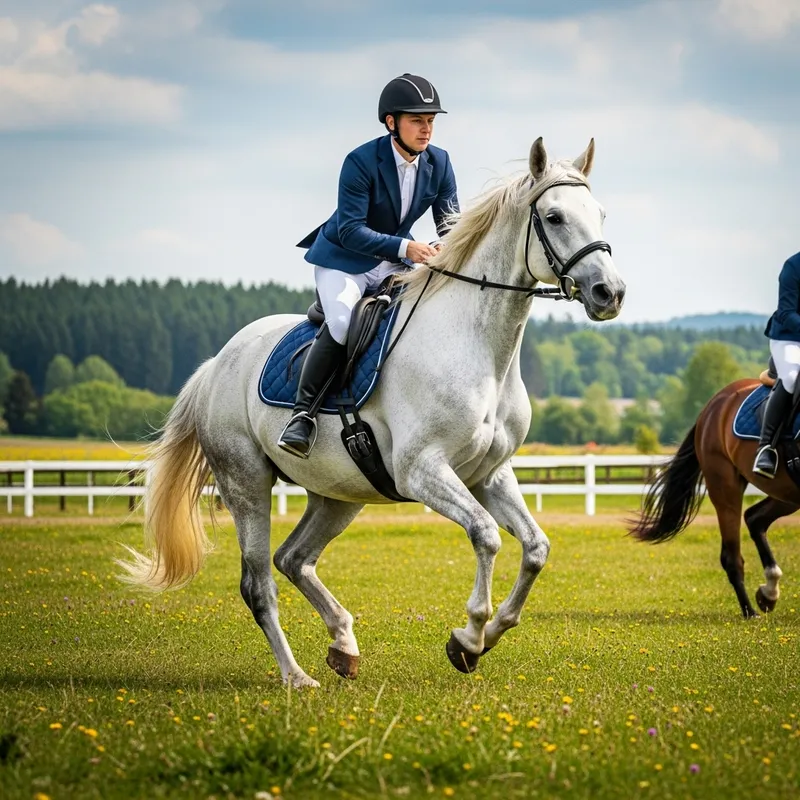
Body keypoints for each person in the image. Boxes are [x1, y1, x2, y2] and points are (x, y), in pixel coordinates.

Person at [277, 73, 460, 458]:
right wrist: (407, 247)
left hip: (393, 262)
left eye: (430, 121)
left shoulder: (439, 163)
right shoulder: (360, 161)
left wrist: (447, 244)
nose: (426, 129)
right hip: (344, 260)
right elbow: (350, 231)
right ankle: (302, 415)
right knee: (343, 322)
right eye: (416, 120)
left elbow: (450, 223)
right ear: (391, 122)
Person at [753, 251, 800, 478]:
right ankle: (766, 448)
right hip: (789, 337)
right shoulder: (794, 266)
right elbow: (786, 313)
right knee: (791, 378)